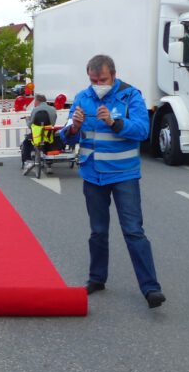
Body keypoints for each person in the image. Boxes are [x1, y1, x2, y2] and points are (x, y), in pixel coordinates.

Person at [64, 54, 166, 308]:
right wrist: (73, 128)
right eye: (93, 79)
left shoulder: (131, 96)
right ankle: (97, 278)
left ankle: (150, 288)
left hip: (123, 175)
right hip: (92, 175)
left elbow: (143, 131)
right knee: (98, 232)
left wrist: (113, 122)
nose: (97, 84)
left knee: (133, 231)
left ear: (113, 76)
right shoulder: (82, 98)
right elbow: (67, 137)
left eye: (102, 79)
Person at [21, 94, 59, 174]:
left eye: (34, 101)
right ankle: (49, 165)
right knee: (51, 141)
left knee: (26, 142)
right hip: (49, 136)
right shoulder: (53, 109)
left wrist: (27, 119)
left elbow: (29, 125)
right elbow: (53, 123)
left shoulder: (35, 110)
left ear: (38, 101)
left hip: (37, 136)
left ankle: (27, 161)